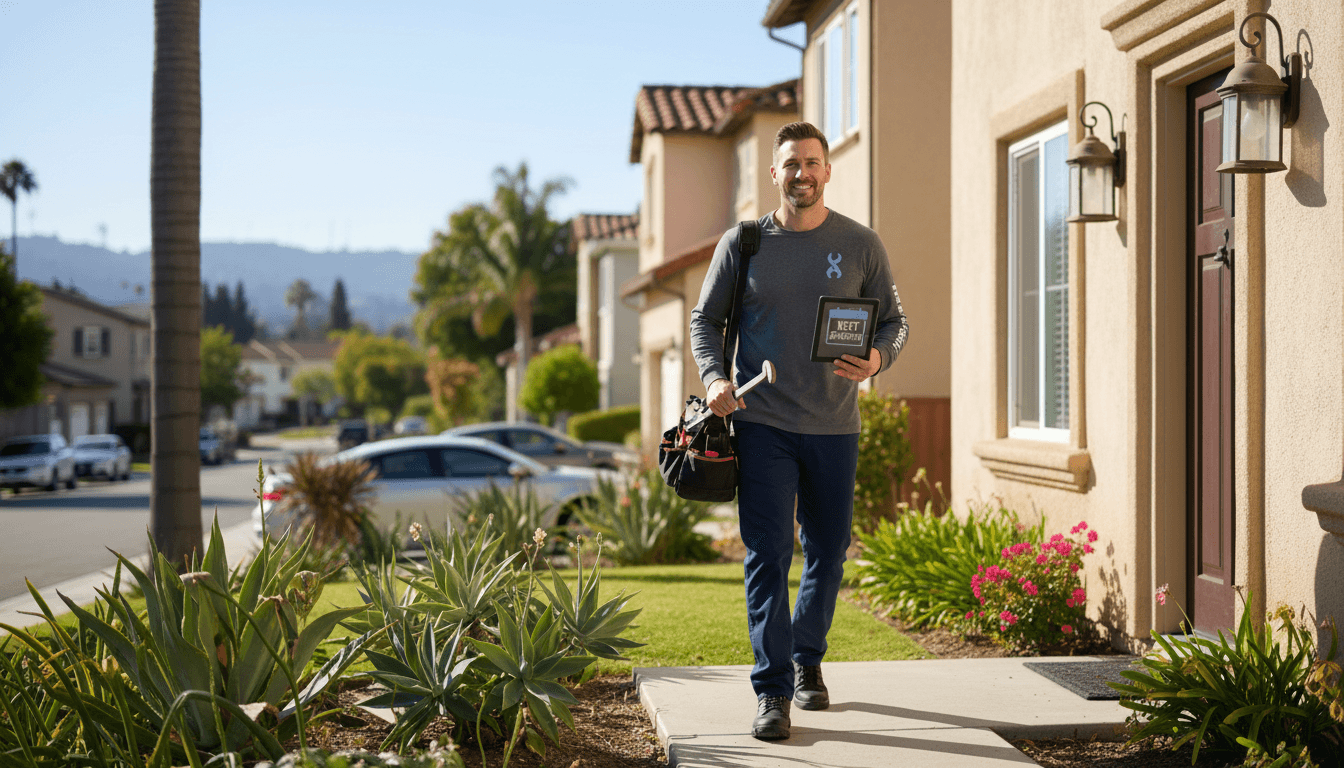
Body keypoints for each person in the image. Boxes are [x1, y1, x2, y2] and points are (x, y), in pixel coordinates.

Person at [689, 121, 909, 741]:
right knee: (767, 554)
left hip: (836, 426)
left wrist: (878, 359)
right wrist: (713, 380)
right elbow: (704, 321)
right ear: (775, 173)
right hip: (762, 424)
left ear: (827, 170)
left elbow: (895, 323)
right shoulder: (746, 242)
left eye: (812, 162)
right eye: (791, 164)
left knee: (830, 551)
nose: (802, 174)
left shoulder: (862, 244)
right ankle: (773, 689)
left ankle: (808, 656)